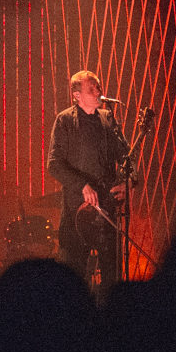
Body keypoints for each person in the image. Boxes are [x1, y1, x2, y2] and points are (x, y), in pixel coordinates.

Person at [46, 70, 129, 285]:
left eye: (99, 87)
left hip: (107, 211)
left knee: (112, 276)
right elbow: (54, 164)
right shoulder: (64, 120)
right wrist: (82, 185)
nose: (98, 92)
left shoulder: (107, 118)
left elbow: (126, 156)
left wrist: (129, 181)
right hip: (77, 213)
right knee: (73, 276)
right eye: (92, 89)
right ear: (76, 95)